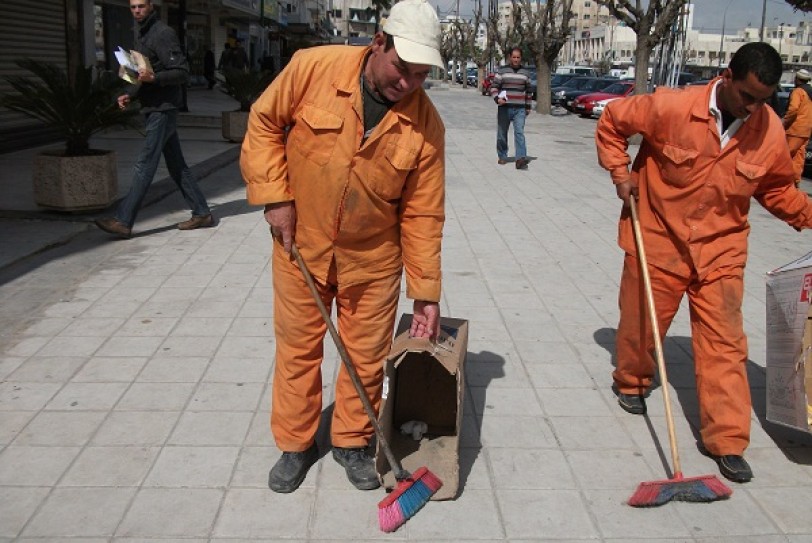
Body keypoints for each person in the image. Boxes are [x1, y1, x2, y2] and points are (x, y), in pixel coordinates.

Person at [240, 0, 445, 493]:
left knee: (365, 357)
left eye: (421, 75)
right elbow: (264, 122)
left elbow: (423, 213)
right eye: (402, 68)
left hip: (373, 261)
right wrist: (275, 197)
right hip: (300, 246)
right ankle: (295, 444)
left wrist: (426, 293)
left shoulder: (427, 126)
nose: (408, 84)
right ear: (378, 43)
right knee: (298, 351)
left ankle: (352, 441)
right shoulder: (313, 68)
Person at [596, 42, 812, 484]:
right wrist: (621, 173)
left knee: (724, 344)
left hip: (720, 250)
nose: (752, 108)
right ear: (727, 76)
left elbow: (776, 189)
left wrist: (808, 215)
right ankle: (632, 382)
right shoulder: (671, 107)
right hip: (658, 236)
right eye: (747, 96)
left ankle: (727, 440)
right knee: (641, 325)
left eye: (763, 100)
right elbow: (612, 121)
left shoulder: (769, 132)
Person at [95, 0, 213, 238]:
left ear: (151, 6)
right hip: (153, 106)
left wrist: (155, 78)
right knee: (177, 165)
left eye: (141, 6)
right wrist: (129, 94)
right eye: (133, 7)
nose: (137, 11)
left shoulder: (162, 33)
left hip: (163, 108)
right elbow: (141, 73)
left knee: (145, 164)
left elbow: (182, 72)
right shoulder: (143, 34)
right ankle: (202, 212)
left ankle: (123, 220)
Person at [490, 47, 533, 169]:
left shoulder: (525, 73)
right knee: (502, 133)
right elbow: (494, 87)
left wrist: (528, 106)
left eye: (518, 57)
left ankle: (520, 158)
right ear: (510, 57)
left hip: (520, 108)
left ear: (521, 58)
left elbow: (529, 91)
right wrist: (497, 99)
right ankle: (502, 156)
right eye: (514, 57)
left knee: (519, 132)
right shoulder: (502, 71)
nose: (516, 59)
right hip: (505, 107)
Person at [783, 68, 812, 185]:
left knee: (785, 155)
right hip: (806, 130)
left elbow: (793, 109)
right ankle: (795, 181)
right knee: (798, 157)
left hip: (795, 129)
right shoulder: (810, 92)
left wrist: (784, 122)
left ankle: (780, 180)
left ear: (797, 79)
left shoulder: (798, 91)